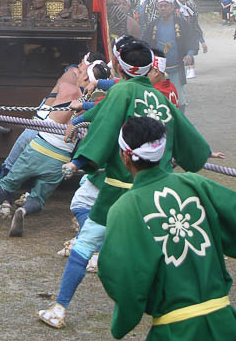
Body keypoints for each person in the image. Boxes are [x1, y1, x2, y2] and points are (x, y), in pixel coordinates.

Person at [37, 39, 210, 330]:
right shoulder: (161, 99)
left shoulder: (121, 91)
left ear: (118, 65)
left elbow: (105, 124)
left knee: (84, 244)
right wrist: (204, 152)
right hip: (156, 190)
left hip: (119, 187)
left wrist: (79, 162)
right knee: (161, 250)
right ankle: (186, 311)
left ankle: (59, 308)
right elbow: (190, 143)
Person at [98, 115, 236, 340]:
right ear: (162, 152)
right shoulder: (195, 184)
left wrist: (124, 318)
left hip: (174, 332)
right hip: (227, 327)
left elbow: (123, 274)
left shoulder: (125, 208)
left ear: (125, 156)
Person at [0, 64, 81, 237]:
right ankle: (23, 211)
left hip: (39, 146)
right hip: (60, 158)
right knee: (38, 199)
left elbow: (64, 82)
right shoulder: (96, 106)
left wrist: (74, 72)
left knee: (7, 183)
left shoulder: (66, 87)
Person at [142, 0, 198, 111]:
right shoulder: (153, 25)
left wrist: (189, 54)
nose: (163, 8)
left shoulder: (181, 23)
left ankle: (180, 120)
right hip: (157, 71)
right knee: (157, 99)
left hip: (176, 68)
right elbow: (145, 44)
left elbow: (191, 40)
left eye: (166, 6)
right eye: (160, 6)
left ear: (172, 7)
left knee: (178, 99)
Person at [172, 0, 206, 80]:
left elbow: (195, 24)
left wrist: (202, 41)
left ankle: (191, 69)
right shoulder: (171, 6)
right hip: (176, 34)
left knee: (190, 49)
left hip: (190, 34)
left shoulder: (191, 5)